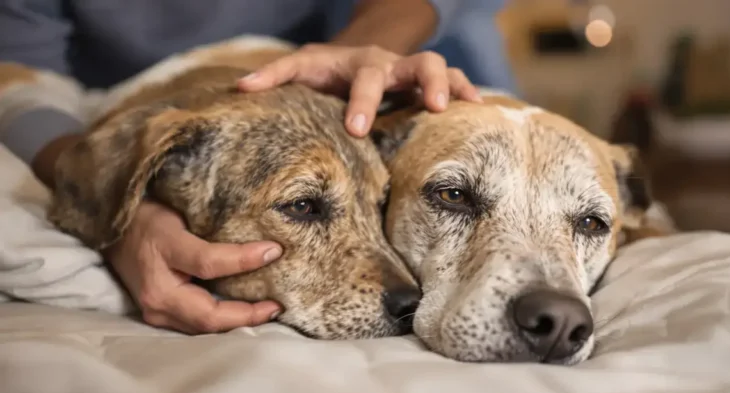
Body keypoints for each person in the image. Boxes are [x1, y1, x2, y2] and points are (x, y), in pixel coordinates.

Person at [0, 0, 514, 335]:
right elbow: (15, 66)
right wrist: (121, 223)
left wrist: (357, 49)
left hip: (396, 58)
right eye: (305, 206)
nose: (406, 291)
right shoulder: (161, 144)